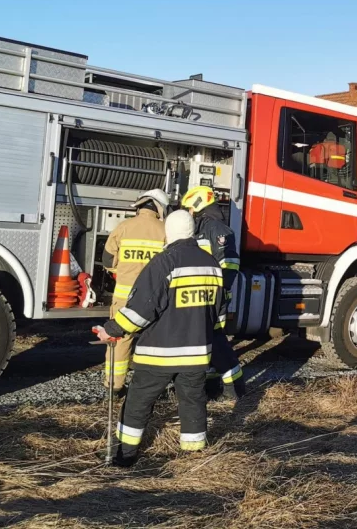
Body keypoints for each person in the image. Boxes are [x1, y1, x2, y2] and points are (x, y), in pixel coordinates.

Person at [94, 210, 225, 467]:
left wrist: (112, 329)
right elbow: (218, 315)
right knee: (192, 403)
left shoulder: (164, 262)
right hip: (197, 354)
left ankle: (125, 456)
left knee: (138, 403)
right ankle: (193, 458)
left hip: (159, 353)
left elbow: (140, 312)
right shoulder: (212, 265)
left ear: (169, 232)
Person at [100, 188, 169, 395]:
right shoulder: (165, 230)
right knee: (155, 342)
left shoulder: (123, 227)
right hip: (155, 299)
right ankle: (151, 387)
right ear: (160, 208)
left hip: (124, 297)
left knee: (120, 340)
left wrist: (121, 271)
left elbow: (107, 261)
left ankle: (114, 386)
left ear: (139, 206)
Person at [180, 186, 245, 399]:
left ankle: (233, 389)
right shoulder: (200, 229)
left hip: (213, 300)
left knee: (215, 343)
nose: (187, 213)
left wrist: (217, 293)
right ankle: (210, 389)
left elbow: (229, 267)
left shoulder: (217, 230)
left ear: (197, 206)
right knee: (205, 344)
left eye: (189, 209)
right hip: (201, 298)